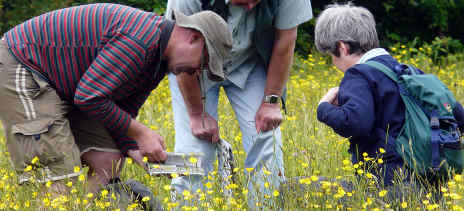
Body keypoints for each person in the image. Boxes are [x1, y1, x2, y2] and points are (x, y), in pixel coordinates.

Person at [0, 3, 232, 195]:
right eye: (203, 62)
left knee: (108, 159)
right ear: (193, 38)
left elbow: (124, 109)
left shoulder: (158, 61)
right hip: (24, 66)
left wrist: (132, 147)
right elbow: (89, 97)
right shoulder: (141, 40)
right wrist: (141, 133)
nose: (196, 71)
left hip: (67, 86)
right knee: (60, 177)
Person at [165, 0, 313, 207]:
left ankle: (266, 205)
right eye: (246, 0)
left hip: (249, 61)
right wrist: (197, 115)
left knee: (265, 137)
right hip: (194, 65)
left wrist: (271, 102)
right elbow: (179, 50)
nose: (252, 7)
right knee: (194, 149)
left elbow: (285, 42)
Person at [315, 3, 464, 186]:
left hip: (389, 188)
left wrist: (324, 108)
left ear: (342, 47)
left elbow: (355, 124)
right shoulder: (408, 72)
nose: (334, 63)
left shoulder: (358, 75)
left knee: (296, 188)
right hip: (433, 188)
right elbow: (457, 115)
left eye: (332, 55)